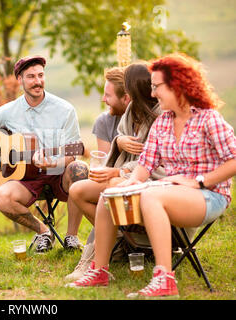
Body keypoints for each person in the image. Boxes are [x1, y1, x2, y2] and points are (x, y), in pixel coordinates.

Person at [67, 53, 236, 298]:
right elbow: (144, 167)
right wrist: (126, 186)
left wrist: (200, 180)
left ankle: (165, 279)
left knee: (151, 198)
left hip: (209, 195)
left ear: (177, 86)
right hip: (172, 191)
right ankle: (99, 270)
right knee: (109, 194)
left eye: (157, 87)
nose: (153, 93)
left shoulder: (207, 118)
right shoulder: (163, 123)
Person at [0, 55, 89, 252]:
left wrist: (51, 164)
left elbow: (73, 154)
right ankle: (43, 232)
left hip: (58, 173)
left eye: (40, 75)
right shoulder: (9, 110)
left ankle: (71, 237)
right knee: (1, 197)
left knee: (79, 169)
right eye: (31, 77)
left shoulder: (65, 110)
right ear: (19, 80)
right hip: (25, 177)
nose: (37, 82)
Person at [65, 62, 164, 281]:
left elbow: (153, 161)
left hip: (146, 179)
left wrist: (118, 173)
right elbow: (120, 138)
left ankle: (93, 260)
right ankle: (119, 237)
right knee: (78, 190)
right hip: (124, 175)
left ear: (130, 94)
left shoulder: (160, 116)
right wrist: (119, 142)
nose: (103, 99)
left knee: (108, 191)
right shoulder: (131, 111)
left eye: (110, 94)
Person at [92, 67, 130, 153]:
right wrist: (118, 145)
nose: (103, 99)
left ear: (125, 98)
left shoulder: (145, 121)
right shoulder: (103, 122)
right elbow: (105, 162)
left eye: (108, 95)